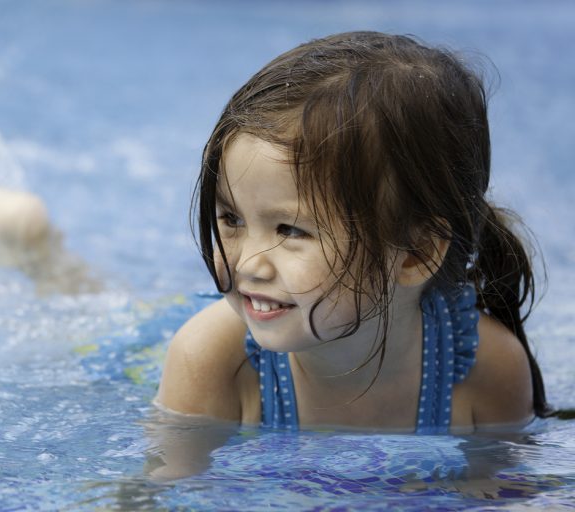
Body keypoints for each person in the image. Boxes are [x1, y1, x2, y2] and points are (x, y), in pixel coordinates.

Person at [155, 31, 551, 436]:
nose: (249, 265)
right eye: (232, 220)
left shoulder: (485, 367)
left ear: (416, 252)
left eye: (290, 229)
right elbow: (161, 494)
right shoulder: (208, 358)